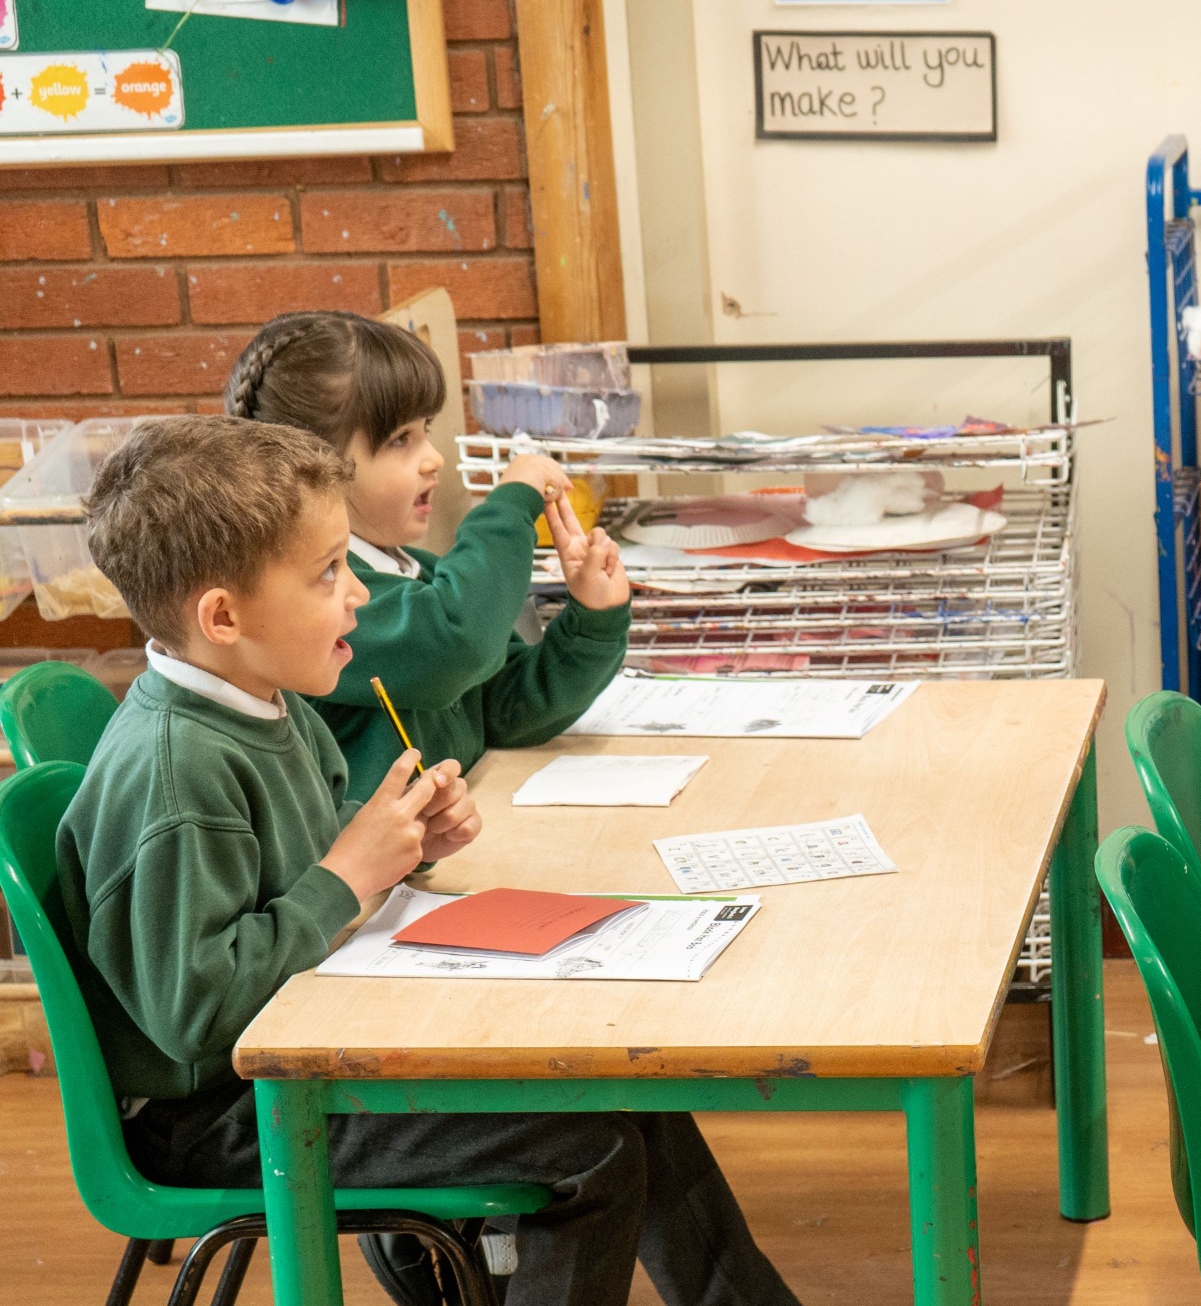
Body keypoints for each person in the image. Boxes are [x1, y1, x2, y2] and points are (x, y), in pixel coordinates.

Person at [57, 417, 799, 1306]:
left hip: (293, 1053)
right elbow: (196, 1008)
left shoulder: (264, 699)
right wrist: (349, 876)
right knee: (591, 1148)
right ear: (223, 617)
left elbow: (290, 860)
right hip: (224, 1112)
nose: (357, 596)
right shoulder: (177, 771)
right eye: (328, 574)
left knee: (622, 1090)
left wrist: (399, 841)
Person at [222, 311, 631, 795]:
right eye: (401, 440)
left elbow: (505, 709)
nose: (433, 458)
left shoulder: (419, 575)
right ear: (313, 470)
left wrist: (593, 620)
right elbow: (458, 640)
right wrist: (510, 506)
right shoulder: (322, 602)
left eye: (425, 430)